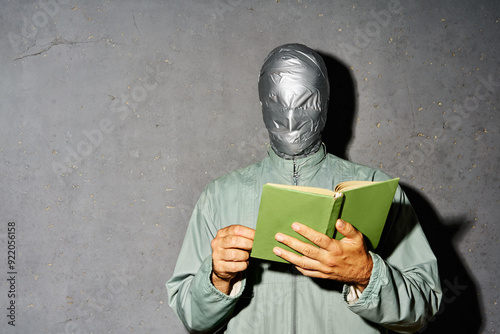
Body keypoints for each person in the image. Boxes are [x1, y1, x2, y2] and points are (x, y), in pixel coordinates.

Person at [166, 43, 442, 333]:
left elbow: (421, 311)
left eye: (304, 102)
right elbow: (194, 320)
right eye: (277, 101)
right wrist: (217, 278)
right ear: (262, 103)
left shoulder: (377, 190)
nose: (289, 117)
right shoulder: (219, 196)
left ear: (324, 103)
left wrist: (365, 274)